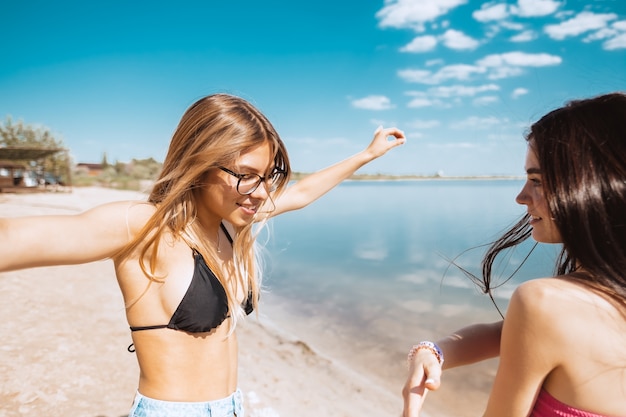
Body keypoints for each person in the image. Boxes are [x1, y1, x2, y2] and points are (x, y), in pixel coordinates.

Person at [0, 93, 406, 417]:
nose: (262, 192)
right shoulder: (145, 227)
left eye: (267, 177)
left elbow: (299, 194)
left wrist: (365, 156)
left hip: (232, 405)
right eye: (246, 175)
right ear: (199, 163)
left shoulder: (229, 222)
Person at [402, 92, 626, 417]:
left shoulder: (545, 303)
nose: (521, 197)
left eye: (536, 180)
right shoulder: (596, 301)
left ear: (594, 185)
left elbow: (532, 326)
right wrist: (434, 350)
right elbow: (506, 333)